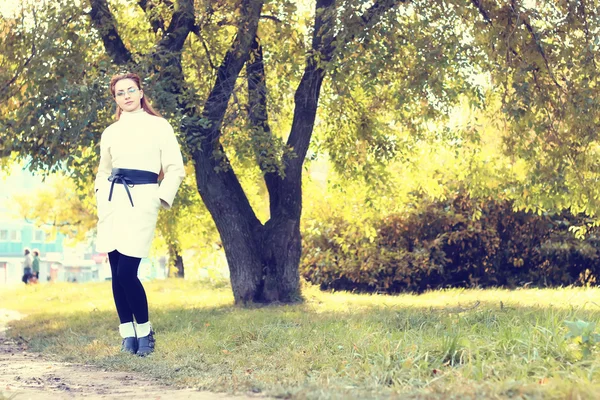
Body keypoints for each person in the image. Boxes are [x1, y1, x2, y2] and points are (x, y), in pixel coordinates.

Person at [95, 72, 185, 356]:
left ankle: (145, 332)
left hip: (143, 200)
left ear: (141, 92)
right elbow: (103, 170)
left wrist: (158, 199)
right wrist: (100, 194)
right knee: (115, 273)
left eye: (130, 90)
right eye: (120, 93)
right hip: (113, 202)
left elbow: (175, 169)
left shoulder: (160, 126)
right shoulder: (110, 132)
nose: (127, 96)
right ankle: (127, 336)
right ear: (115, 99)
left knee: (127, 273)